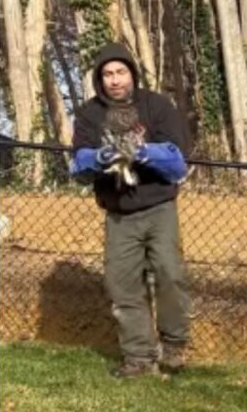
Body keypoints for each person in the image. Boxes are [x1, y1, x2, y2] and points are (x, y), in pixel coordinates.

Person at [69, 43, 192, 378]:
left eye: (120, 72)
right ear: (99, 79)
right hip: (119, 214)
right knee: (122, 286)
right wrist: (99, 157)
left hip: (158, 207)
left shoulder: (157, 106)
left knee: (170, 273)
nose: (114, 80)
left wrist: (142, 151)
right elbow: (77, 164)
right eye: (107, 74)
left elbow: (177, 161)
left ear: (132, 74)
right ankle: (138, 359)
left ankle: (174, 344)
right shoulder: (88, 115)